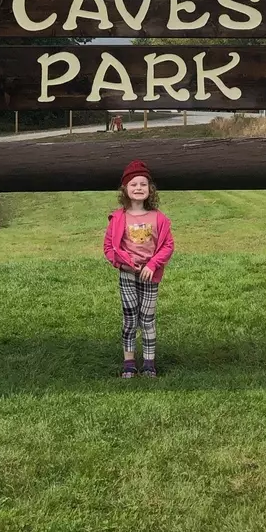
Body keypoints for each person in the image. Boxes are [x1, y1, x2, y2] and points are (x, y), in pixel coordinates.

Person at [102, 159, 174, 379]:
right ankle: (129, 362)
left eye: (143, 184)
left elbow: (168, 245)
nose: (139, 188)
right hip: (127, 274)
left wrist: (153, 265)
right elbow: (108, 247)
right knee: (130, 319)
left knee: (148, 320)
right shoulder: (118, 218)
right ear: (125, 189)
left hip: (150, 275)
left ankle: (150, 364)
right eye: (134, 185)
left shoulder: (159, 218)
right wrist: (122, 263)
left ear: (150, 189)